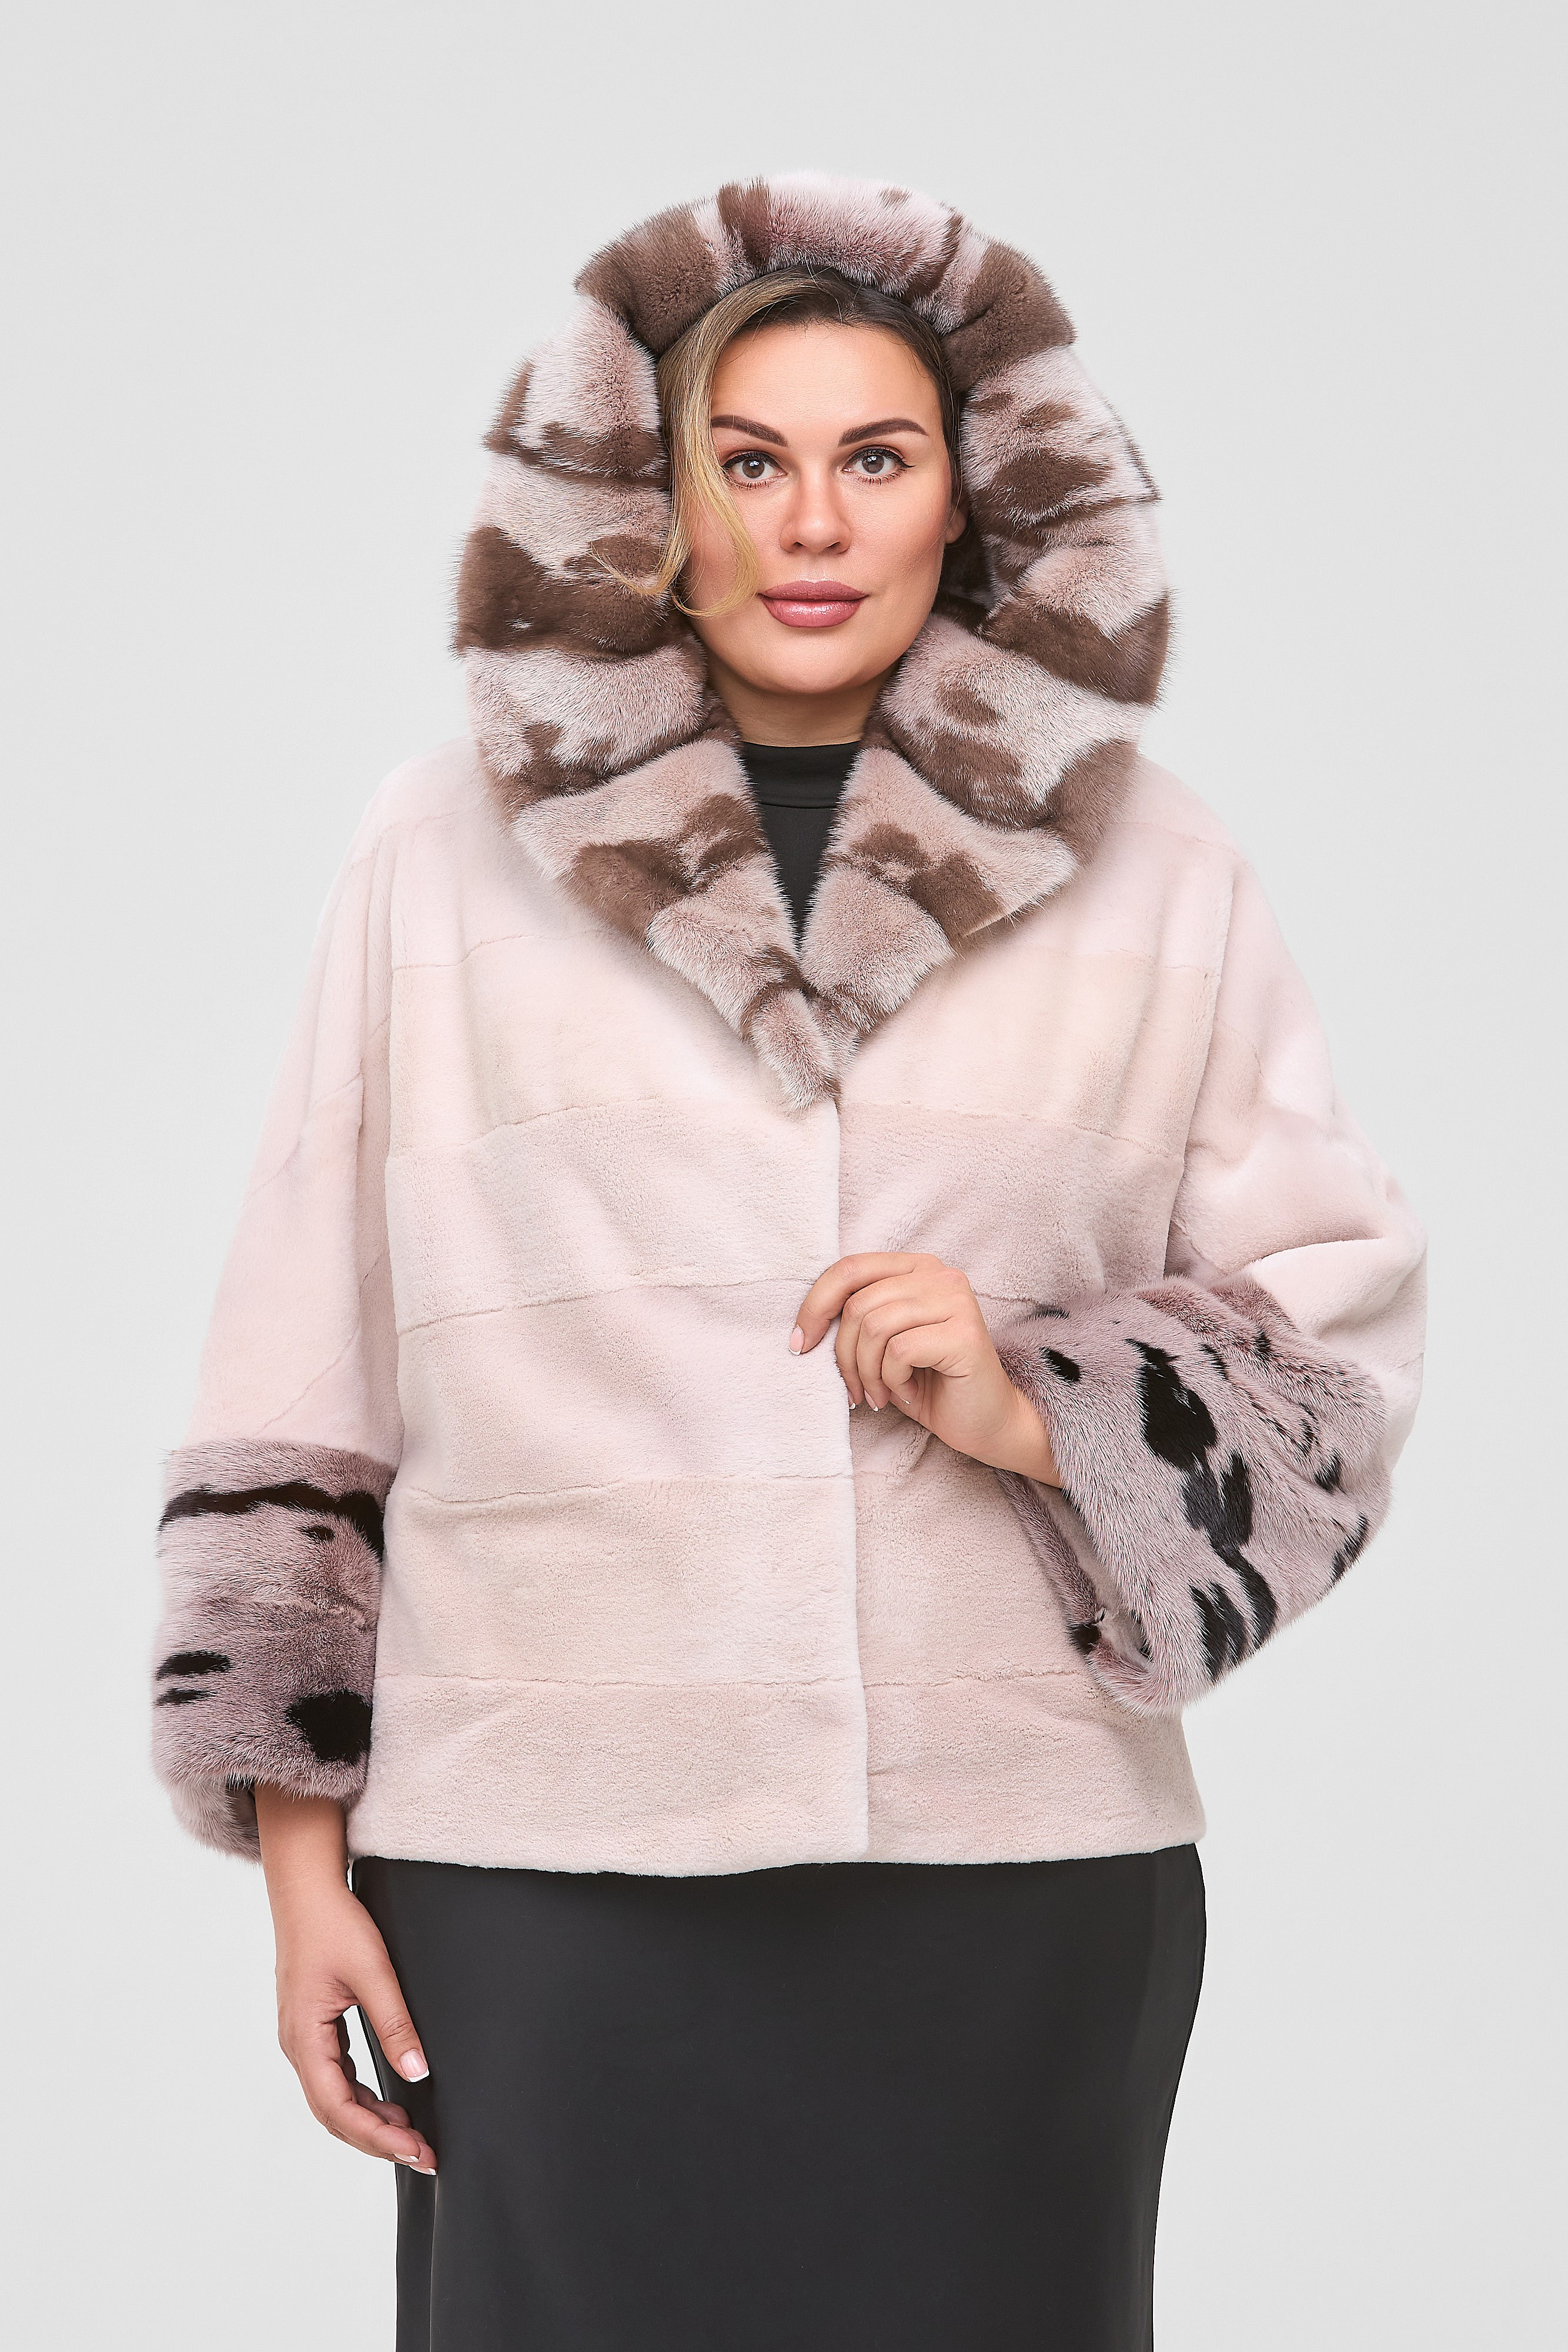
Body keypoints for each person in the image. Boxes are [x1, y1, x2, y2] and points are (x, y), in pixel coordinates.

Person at [151, 175, 1425, 2351]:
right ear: (652, 500)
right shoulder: (439, 850)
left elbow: (1336, 1331)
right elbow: (302, 1362)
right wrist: (299, 1873)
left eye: (876, 457)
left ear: (975, 496)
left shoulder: (1155, 864)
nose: (810, 522)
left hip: (1008, 1871)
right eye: (746, 461)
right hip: (539, 1867)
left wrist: (1040, 1405)